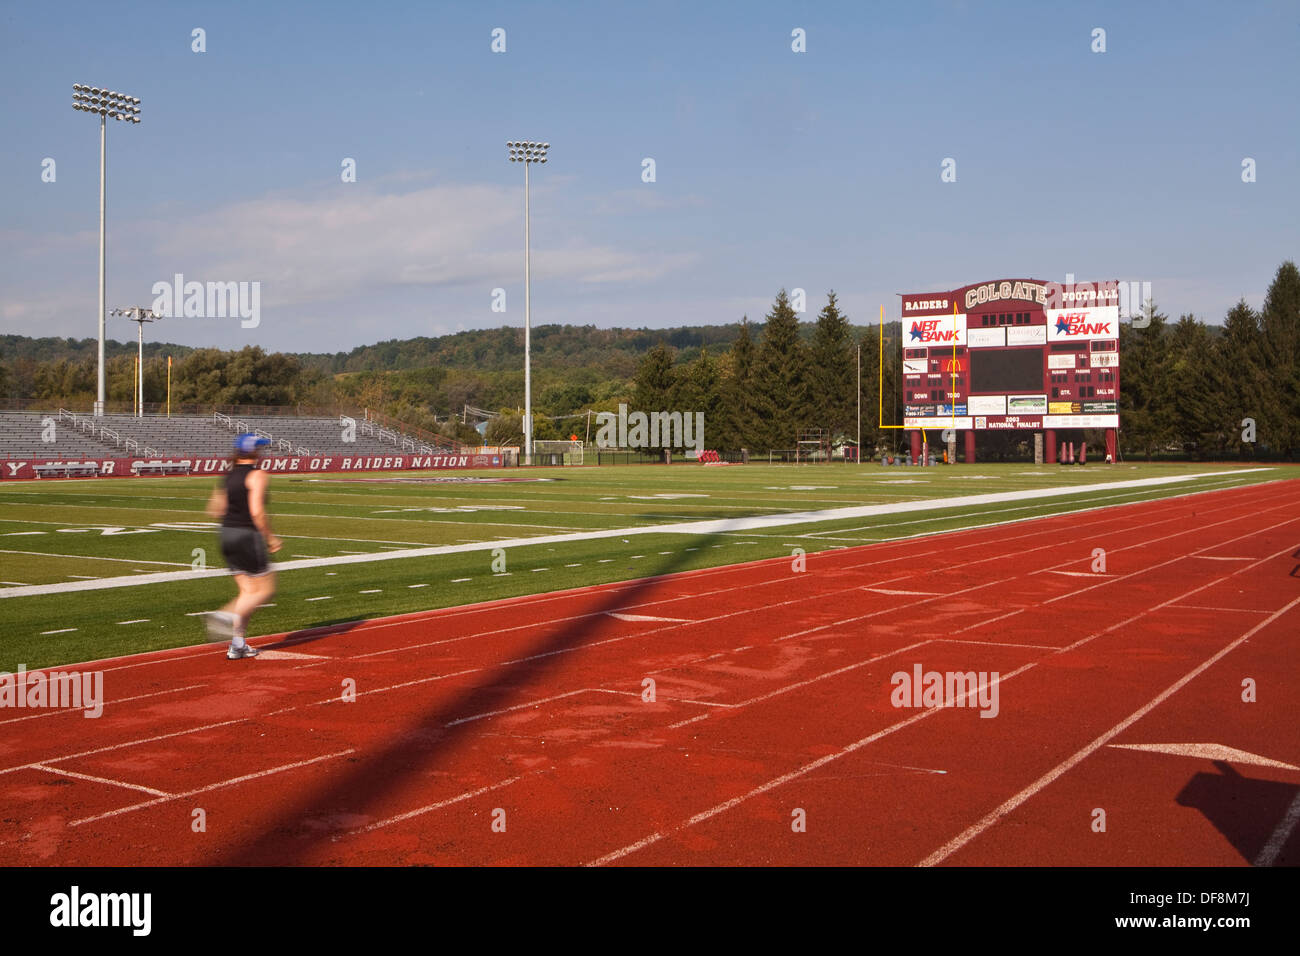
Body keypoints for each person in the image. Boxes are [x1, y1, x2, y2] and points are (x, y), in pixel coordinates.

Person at [204, 433, 281, 659]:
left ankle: (237, 644)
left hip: (226, 534)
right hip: (247, 535)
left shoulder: (227, 477)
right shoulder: (257, 475)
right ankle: (223, 616)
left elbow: (215, 509)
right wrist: (271, 538)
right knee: (266, 589)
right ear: (254, 452)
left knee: (247, 592)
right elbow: (257, 511)